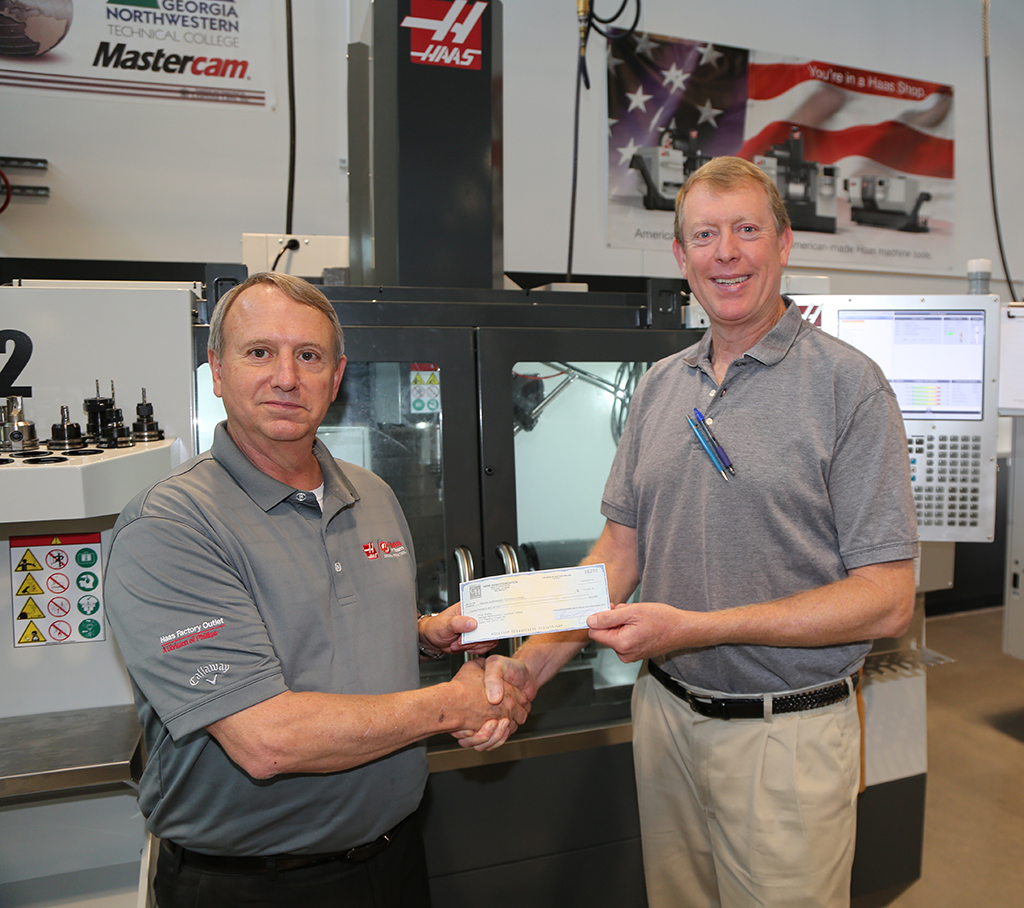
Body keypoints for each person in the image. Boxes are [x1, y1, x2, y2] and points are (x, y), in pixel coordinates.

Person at [488, 156, 919, 907]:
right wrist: (527, 668)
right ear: (681, 257)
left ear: (783, 244)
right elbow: (617, 555)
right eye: (706, 235)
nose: (727, 253)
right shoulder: (660, 387)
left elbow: (886, 601)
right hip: (664, 719)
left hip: (784, 736)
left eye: (747, 230)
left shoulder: (848, 386)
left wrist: (692, 628)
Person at [104, 272, 529, 908]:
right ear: (216, 371)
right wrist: (455, 705)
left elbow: (321, 630)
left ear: (336, 377)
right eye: (259, 353)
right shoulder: (169, 526)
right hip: (254, 885)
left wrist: (422, 637)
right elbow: (266, 739)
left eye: (308, 356)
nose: (285, 377)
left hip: (395, 856)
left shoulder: (372, 495)